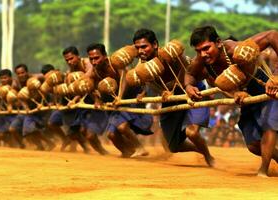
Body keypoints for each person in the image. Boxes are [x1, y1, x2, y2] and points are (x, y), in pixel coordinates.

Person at [185, 25, 278, 177]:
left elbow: (272, 35)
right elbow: (190, 73)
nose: (203, 54)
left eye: (207, 48)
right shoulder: (202, 61)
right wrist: (189, 86)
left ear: (219, 42)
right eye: (198, 50)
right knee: (253, 145)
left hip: (264, 88)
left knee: (269, 124)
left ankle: (263, 171)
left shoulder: (236, 49)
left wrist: (276, 75)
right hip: (243, 98)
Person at [131, 28, 214, 166]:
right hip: (170, 98)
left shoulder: (169, 53)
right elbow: (149, 80)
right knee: (174, 147)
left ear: (155, 44)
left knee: (192, 133)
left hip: (192, 90)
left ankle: (208, 157)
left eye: (144, 47)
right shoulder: (142, 66)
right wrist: (143, 93)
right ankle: (201, 150)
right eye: (137, 48)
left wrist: (173, 87)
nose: (141, 51)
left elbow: (186, 67)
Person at [87, 43, 148, 157]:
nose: (94, 62)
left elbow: (124, 77)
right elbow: (88, 86)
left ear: (104, 56)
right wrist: (97, 100)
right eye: (91, 59)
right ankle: (128, 152)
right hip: (116, 104)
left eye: (97, 58)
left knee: (122, 127)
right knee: (111, 135)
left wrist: (120, 96)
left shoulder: (115, 63)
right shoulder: (93, 73)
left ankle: (140, 148)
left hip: (130, 98)